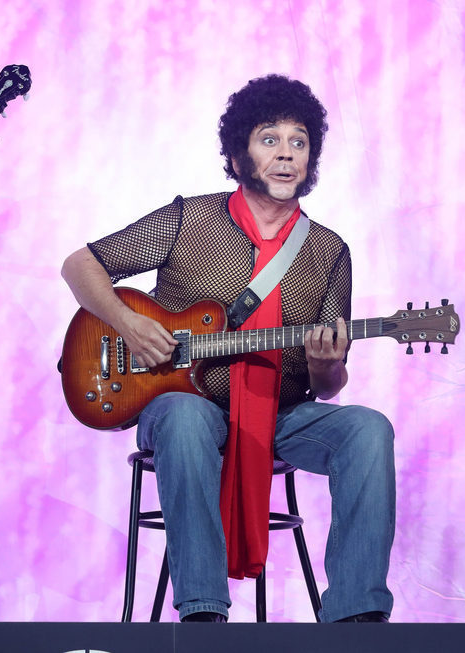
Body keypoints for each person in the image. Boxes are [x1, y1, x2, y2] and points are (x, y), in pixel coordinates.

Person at [62, 74, 395, 623]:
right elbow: (80, 265)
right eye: (270, 139)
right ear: (239, 151)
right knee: (187, 416)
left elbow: (328, 388)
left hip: (281, 415)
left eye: (298, 141)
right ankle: (203, 614)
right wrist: (128, 323)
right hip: (180, 406)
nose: (286, 155)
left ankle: (357, 619)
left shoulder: (328, 251)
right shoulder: (189, 219)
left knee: (367, 428)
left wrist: (326, 364)